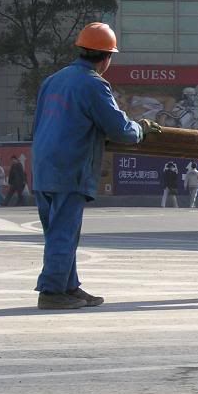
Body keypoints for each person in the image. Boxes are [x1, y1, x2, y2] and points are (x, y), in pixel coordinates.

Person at [32, 21, 162, 310]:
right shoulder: (94, 84)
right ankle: (52, 292)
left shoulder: (52, 80)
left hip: (43, 165)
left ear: (81, 49)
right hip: (70, 166)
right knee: (64, 232)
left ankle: (68, 286)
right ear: (107, 58)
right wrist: (141, 128)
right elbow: (120, 130)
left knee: (57, 231)